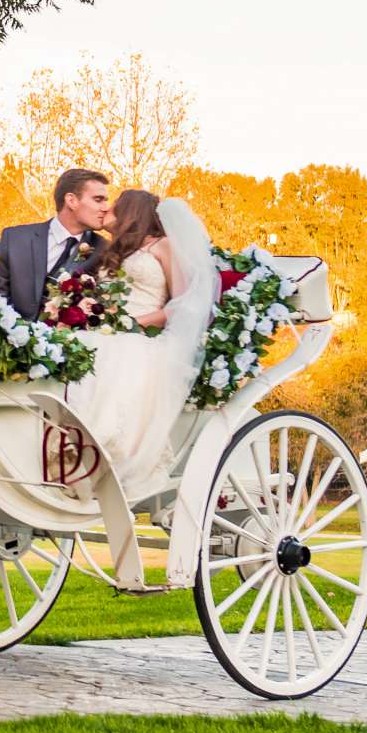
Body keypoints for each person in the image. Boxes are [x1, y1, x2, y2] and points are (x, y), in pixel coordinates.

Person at [58, 190, 218, 502]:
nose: (105, 210)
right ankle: (67, 450)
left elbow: (182, 305)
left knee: (116, 354)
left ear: (131, 212)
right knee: (71, 346)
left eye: (113, 207)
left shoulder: (164, 246)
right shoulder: (109, 251)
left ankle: (105, 453)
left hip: (140, 337)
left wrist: (134, 323)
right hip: (106, 331)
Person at [0, 167, 111, 320]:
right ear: (71, 200)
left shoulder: (103, 249)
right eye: (98, 200)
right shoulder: (15, 239)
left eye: (106, 201)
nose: (106, 208)